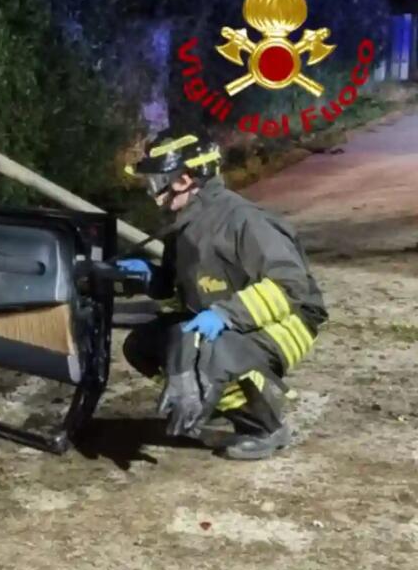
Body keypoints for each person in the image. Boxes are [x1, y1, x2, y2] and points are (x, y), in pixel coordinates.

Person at [118, 133, 327, 460]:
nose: (154, 195)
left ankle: (265, 429)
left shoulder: (242, 219)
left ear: (185, 179)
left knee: (212, 354)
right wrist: (147, 276)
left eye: (158, 181)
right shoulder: (187, 224)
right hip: (231, 320)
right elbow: (177, 288)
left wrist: (226, 315)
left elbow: (291, 286)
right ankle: (219, 398)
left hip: (291, 319)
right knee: (144, 345)